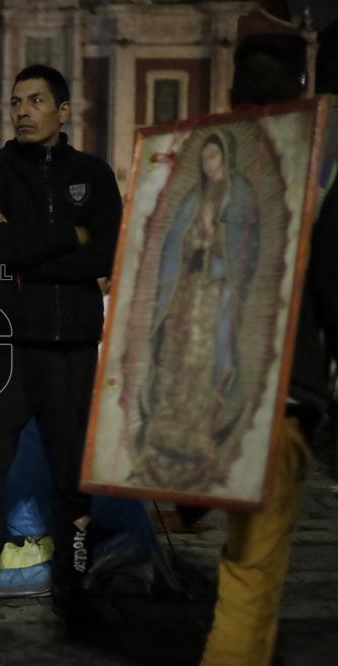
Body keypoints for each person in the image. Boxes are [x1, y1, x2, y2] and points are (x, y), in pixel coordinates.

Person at [0, 64, 122, 638]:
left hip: (70, 346)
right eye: (17, 101)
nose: (23, 111)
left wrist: (30, 246)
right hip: (4, 346)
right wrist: (70, 235)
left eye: (37, 100)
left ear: (63, 110)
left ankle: (74, 590)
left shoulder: (93, 176)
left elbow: (106, 256)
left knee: (73, 479)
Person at [199, 39, 338, 666]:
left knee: (241, 565)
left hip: (211, 400)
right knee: (252, 574)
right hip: (282, 399)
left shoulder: (200, 171)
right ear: (302, 86)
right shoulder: (318, 169)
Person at [135, 131, 259, 491]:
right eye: (204, 159)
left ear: (226, 158)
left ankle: (203, 438)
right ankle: (169, 436)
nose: (209, 165)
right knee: (176, 361)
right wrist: (191, 244)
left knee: (208, 360)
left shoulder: (239, 197)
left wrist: (218, 246)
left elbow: (246, 246)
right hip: (187, 292)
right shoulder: (194, 196)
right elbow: (175, 239)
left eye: (214, 158)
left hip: (217, 293)